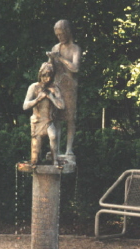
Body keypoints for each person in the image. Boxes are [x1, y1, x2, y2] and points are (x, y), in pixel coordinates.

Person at [46, 20, 81, 155]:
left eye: (61, 34)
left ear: (67, 31)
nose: (59, 37)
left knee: (70, 119)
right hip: (57, 86)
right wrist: (50, 59)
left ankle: (68, 150)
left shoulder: (75, 49)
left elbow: (75, 68)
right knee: (56, 118)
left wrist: (60, 58)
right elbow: (50, 69)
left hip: (70, 87)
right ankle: (56, 150)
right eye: (57, 35)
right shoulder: (56, 47)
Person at [23, 62, 65, 167]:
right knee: (34, 160)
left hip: (49, 121)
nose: (47, 78)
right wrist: (38, 99)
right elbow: (25, 106)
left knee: (54, 136)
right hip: (37, 122)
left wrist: (51, 97)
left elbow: (61, 106)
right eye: (44, 75)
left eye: (49, 75)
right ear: (40, 74)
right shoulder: (34, 87)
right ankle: (36, 159)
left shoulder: (54, 89)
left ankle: (55, 160)